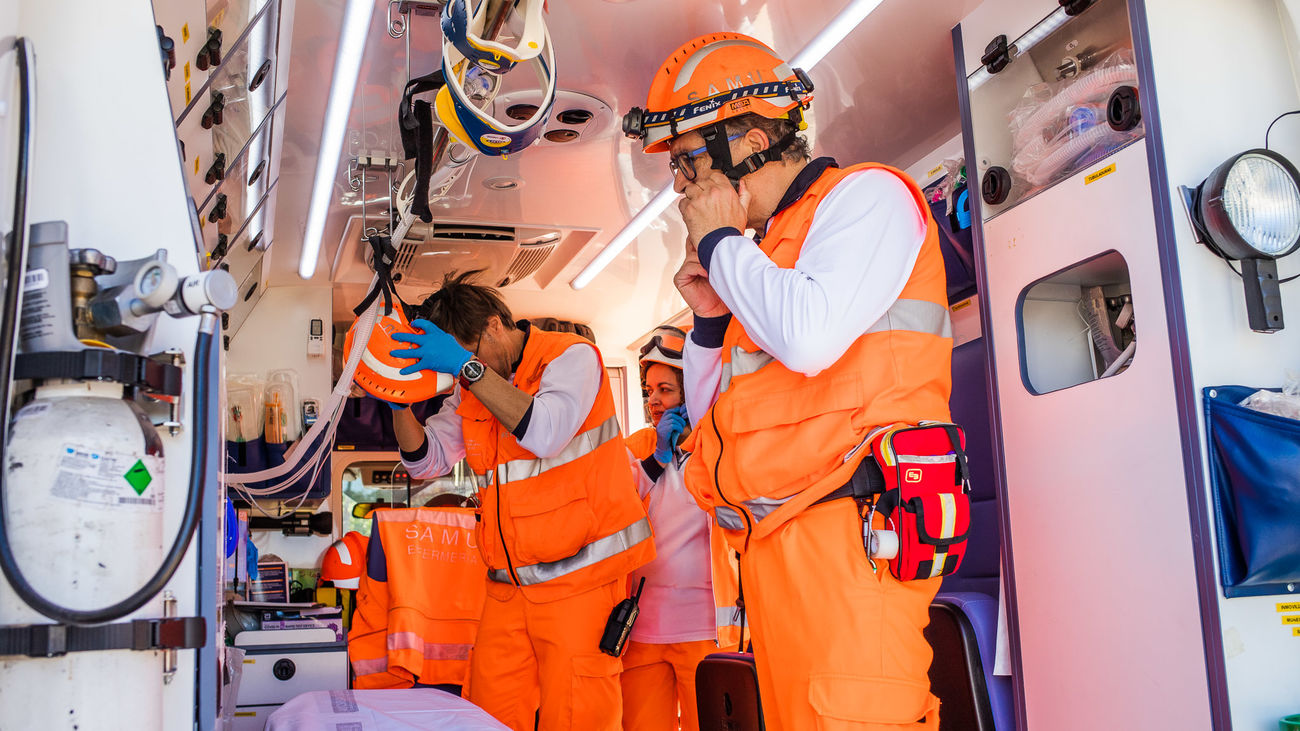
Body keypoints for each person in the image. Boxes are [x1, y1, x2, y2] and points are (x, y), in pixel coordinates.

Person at [624, 33, 954, 729]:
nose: (681, 188)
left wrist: (720, 245)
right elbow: (717, 417)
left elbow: (808, 336)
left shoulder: (865, 197)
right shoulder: (760, 261)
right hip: (772, 561)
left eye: (687, 162)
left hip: (853, 548)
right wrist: (709, 320)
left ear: (746, 138)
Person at [386, 270, 655, 730]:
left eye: (466, 356)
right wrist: (397, 403)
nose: (464, 372)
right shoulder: (469, 389)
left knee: (576, 716)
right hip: (506, 591)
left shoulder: (571, 358)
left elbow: (545, 433)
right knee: (488, 716)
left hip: (580, 585)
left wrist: (467, 369)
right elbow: (425, 462)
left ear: (493, 326)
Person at [620, 326, 742, 731]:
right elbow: (612, 509)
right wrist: (656, 459)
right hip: (641, 630)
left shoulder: (724, 449)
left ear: (692, 392)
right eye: (649, 389)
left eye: (666, 390)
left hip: (706, 630)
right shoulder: (637, 448)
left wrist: (698, 446)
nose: (653, 399)